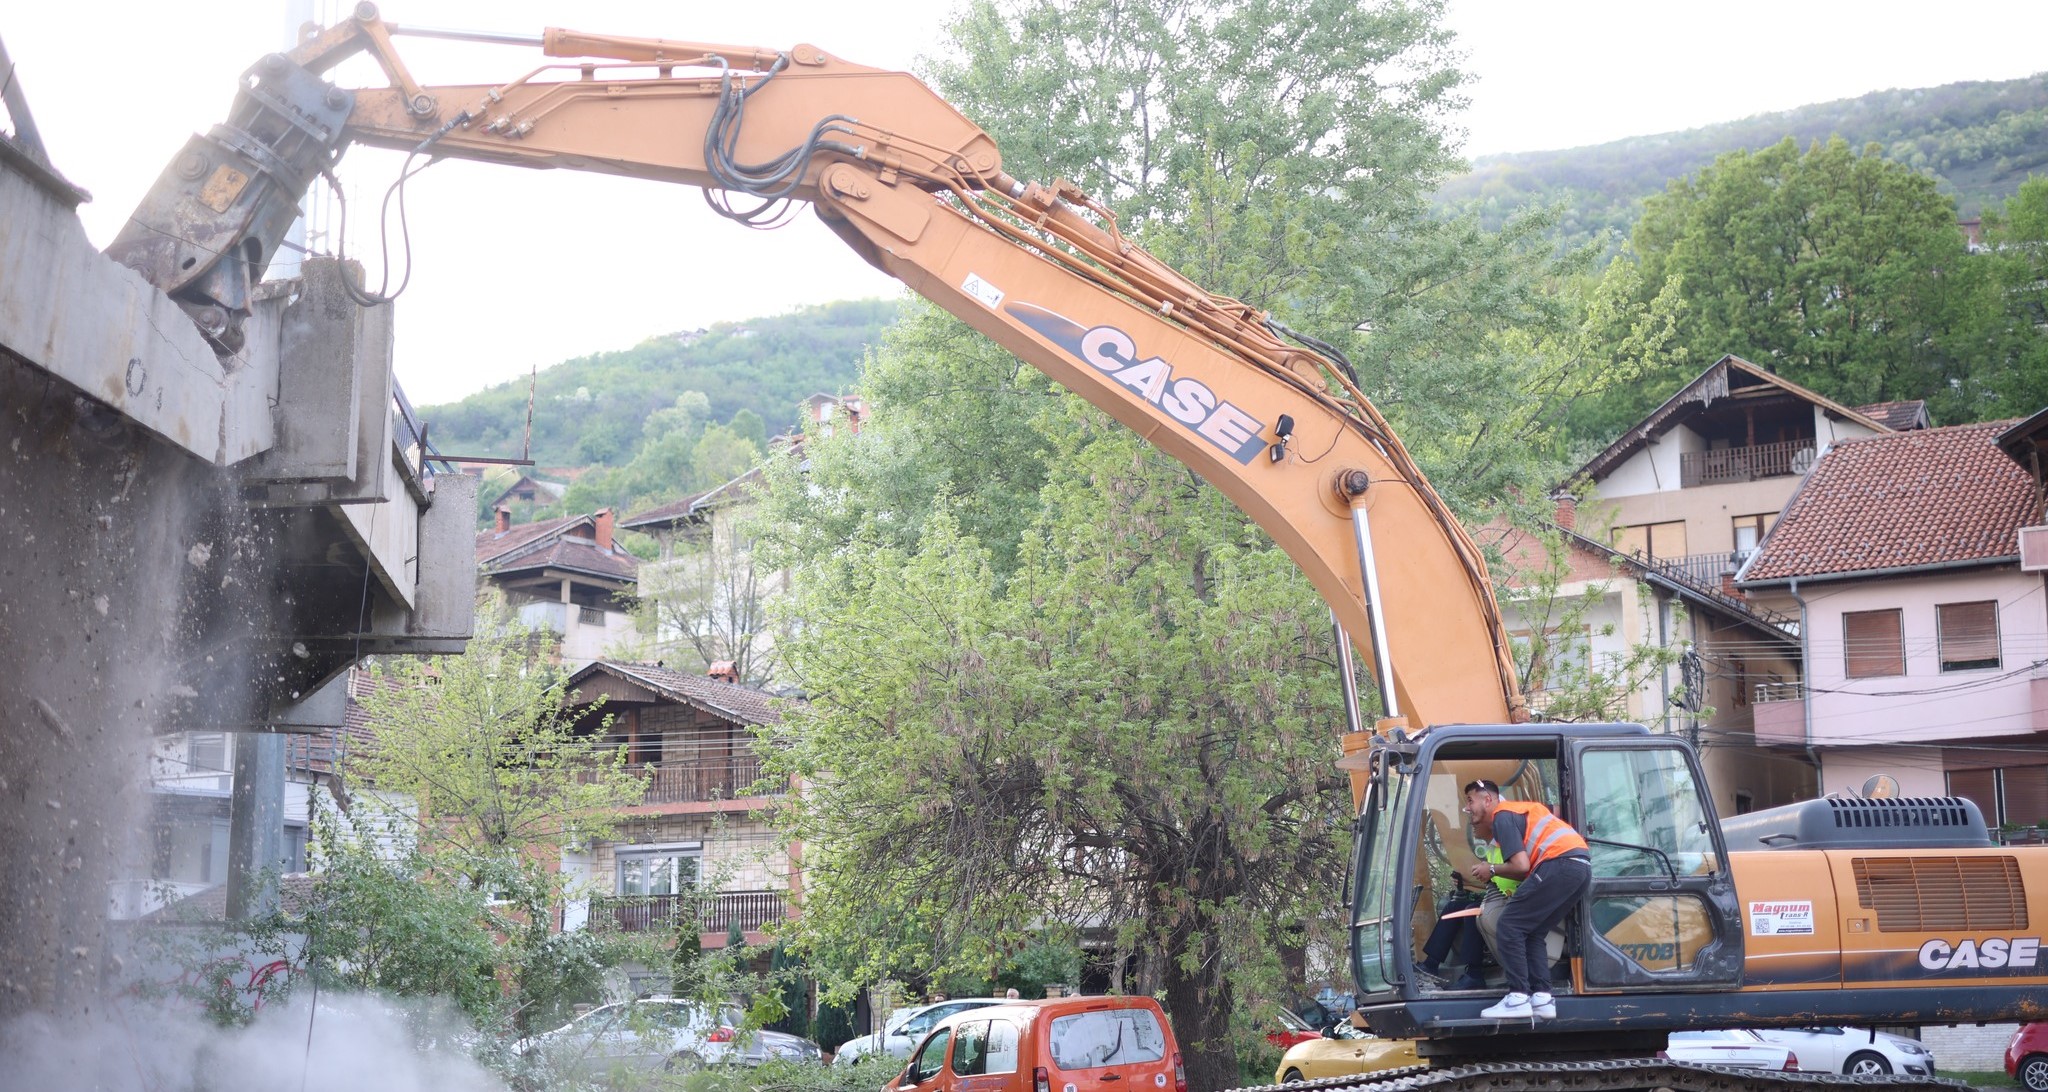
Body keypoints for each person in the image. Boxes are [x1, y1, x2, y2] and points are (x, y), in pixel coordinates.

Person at [1460, 778, 1590, 1020]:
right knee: (1534, 932)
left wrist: (1492, 869)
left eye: (1470, 800)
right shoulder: (1518, 812)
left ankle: (1518, 996)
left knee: (1509, 925)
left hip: (1559, 864)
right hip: (1579, 867)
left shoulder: (1502, 815)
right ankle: (1542, 997)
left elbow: (1520, 866)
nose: (1467, 808)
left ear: (1488, 799)